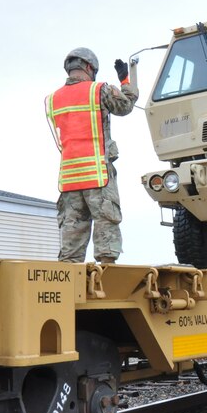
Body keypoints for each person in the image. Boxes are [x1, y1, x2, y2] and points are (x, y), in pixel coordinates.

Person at [45, 47, 138, 264]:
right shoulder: (98, 90)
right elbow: (125, 106)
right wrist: (125, 81)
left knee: (71, 238)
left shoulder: (52, 100)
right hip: (97, 175)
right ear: (89, 67)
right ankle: (107, 280)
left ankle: (68, 283)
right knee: (106, 225)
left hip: (69, 179)